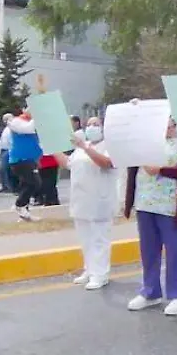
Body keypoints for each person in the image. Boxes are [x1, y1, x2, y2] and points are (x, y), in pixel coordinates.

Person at [124, 118, 177, 315]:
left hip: (170, 205)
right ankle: (150, 291)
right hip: (145, 203)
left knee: (176, 249)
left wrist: (161, 170)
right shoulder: (145, 144)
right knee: (148, 250)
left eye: (171, 124)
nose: (167, 128)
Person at [56, 117, 118, 290]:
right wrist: (52, 147)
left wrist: (85, 146)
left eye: (96, 124)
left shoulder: (109, 146)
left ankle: (100, 274)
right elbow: (67, 163)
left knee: (99, 238)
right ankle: (89, 270)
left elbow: (106, 163)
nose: (92, 127)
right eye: (89, 124)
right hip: (81, 199)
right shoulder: (80, 149)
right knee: (86, 238)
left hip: (100, 199)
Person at [6, 110, 42, 221]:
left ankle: (24, 213)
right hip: (20, 159)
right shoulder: (16, 121)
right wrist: (39, 116)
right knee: (33, 183)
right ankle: (19, 205)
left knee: (27, 184)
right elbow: (28, 129)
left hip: (30, 159)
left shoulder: (31, 122)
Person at [0, 113, 15, 193]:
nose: (5, 121)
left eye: (7, 119)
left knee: (5, 168)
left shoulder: (13, 129)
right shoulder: (6, 129)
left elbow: (12, 141)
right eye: (5, 119)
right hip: (4, 150)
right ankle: (5, 186)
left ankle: (8, 186)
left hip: (9, 150)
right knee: (3, 169)